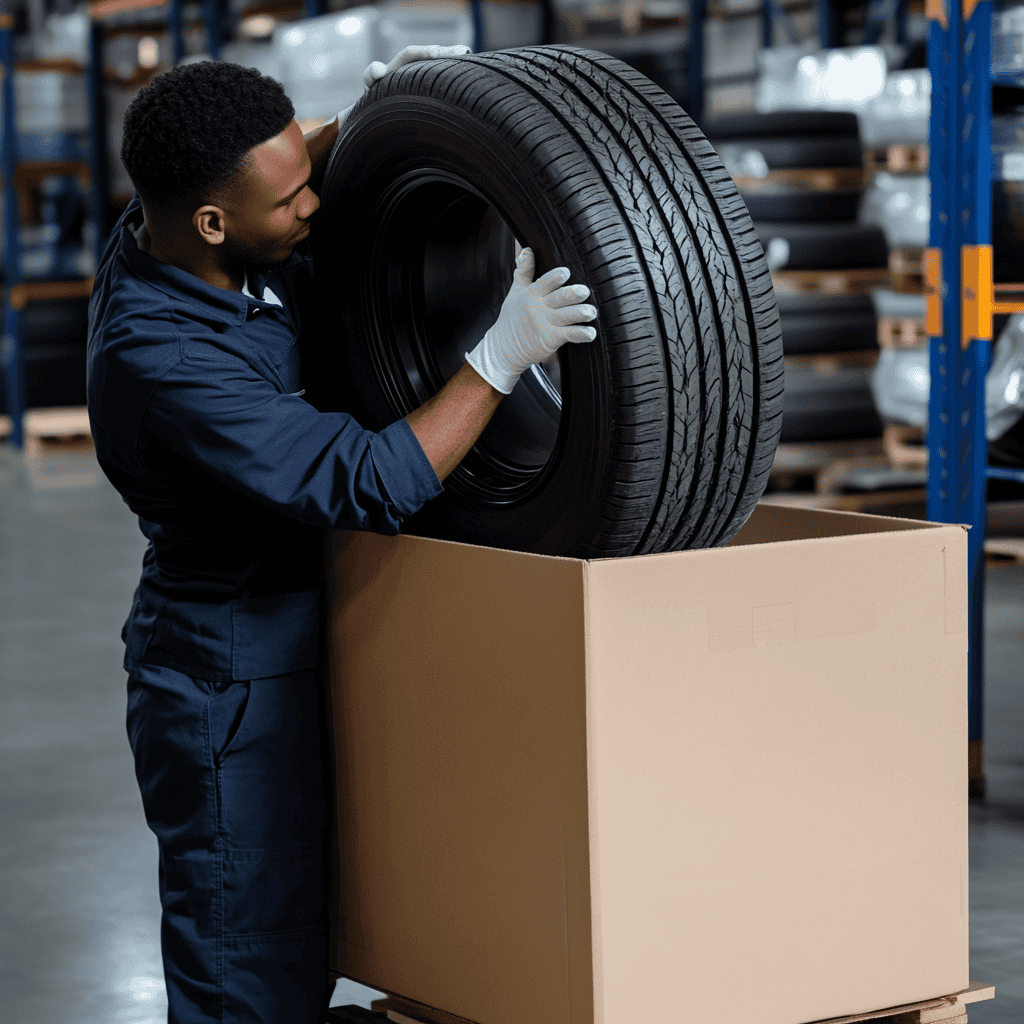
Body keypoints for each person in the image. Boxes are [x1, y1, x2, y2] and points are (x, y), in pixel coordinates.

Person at [85, 46, 597, 1024]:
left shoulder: (190, 218)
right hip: (227, 677)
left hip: (309, 626)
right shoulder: (167, 357)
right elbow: (365, 479)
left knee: (323, 931)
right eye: (290, 202)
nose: (312, 202)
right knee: (254, 966)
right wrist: (499, 355)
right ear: (212, 221)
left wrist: (388, 109)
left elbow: (289, 164)